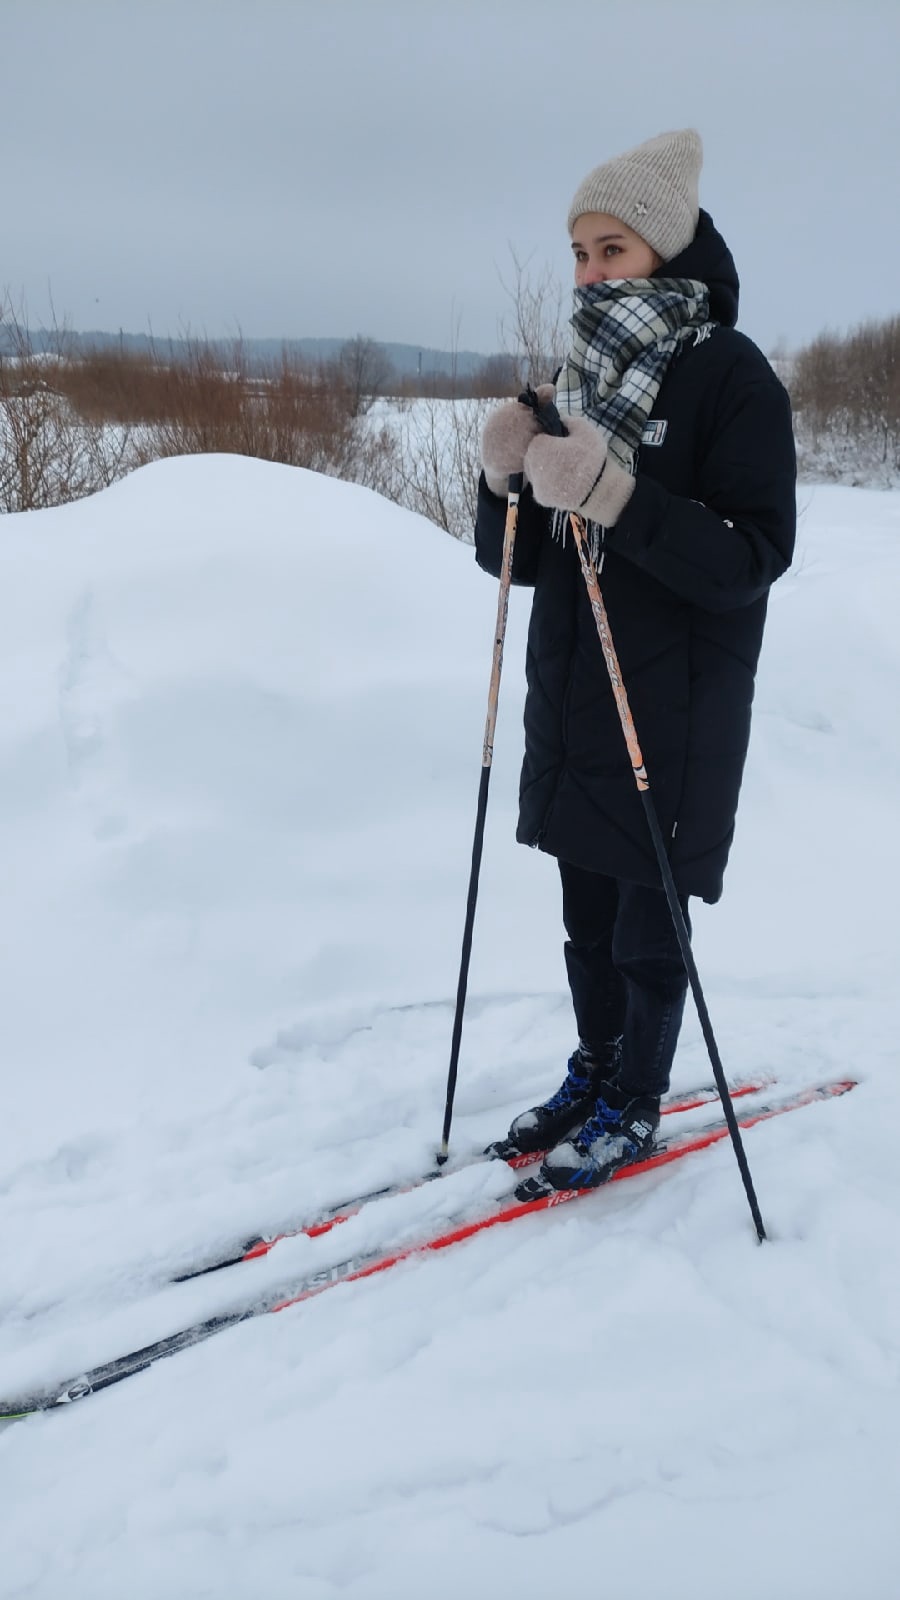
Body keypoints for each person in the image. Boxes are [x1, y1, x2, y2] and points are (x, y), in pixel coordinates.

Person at [474, 129, 796, 1189]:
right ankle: (598, 1065)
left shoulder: (730, 377)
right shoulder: (578, 380)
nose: (589, 272)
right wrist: (503, 482)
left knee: (646, 931)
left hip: (674, 711)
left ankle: (638, 1098)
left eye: (610, 248)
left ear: (665, 245)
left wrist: (616, 495)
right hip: (578, 698)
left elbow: (750, 557)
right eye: (579, 252)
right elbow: (519, 562)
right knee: (585, 921)